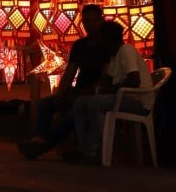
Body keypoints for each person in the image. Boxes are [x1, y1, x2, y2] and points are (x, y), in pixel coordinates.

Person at [17, 4, 111, 160]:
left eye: (94, 20)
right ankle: (39, 138)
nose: (90, 25)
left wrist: (79, 94)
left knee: (74, 111)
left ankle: (42, 147)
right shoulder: (80, 45)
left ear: (101, 21)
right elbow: (70, 72)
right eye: (86, 21)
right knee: (45, 104)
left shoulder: (107, 46)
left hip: (93, 93)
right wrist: (61, 92)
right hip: (78, 90)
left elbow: (104, 79)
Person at [65, 20, 153, 163]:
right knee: (79, 103)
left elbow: (134, 81)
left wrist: (108, 90)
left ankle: (94, 150)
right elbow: (108, 79)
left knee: (95, 103)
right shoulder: (114, 56)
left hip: (138, 101)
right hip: (123, 97)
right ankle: (86, 149)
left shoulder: (126, 51)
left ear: (106, 39)